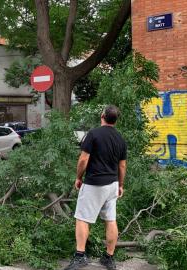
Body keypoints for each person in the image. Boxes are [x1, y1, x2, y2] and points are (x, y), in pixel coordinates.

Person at [65, 105, 127, 270]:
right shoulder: (120, 139)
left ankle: (80, 256)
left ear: (102, 116)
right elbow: (122, 166)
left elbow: (83, 160)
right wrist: (121, 185)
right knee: (111, 220)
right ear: (115, 120)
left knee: (82, 219)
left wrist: (78, 177)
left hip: (94, 184)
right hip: (112, 185)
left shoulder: (93, 134)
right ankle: (109, 257)